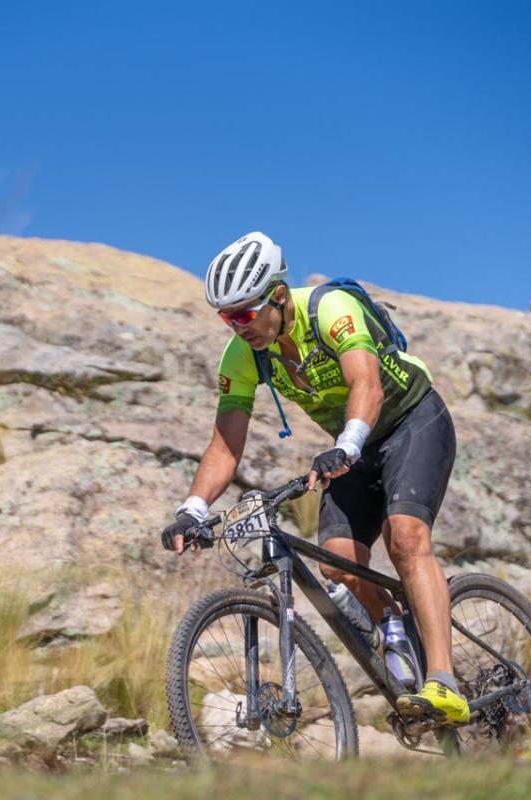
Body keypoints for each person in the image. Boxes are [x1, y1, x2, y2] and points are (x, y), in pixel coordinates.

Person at [160, 231, 468, 725]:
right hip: (354, 445)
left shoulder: (331, 309)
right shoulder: (242, 356)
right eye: (226, 318)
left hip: (412, 421)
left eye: (244, 314)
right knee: (338, 564)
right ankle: (391, 622)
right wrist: (191, 509)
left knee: (406, 538)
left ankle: (444, 682)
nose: (237, 327)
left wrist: (347, 444)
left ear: (279, 296)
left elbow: (366, 383)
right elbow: (225, 445)